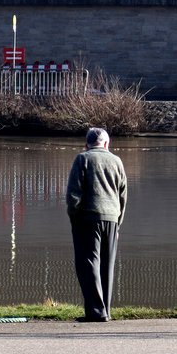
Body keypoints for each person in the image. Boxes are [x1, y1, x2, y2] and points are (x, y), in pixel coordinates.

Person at [66, 127, 128, 322]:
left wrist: (73, 217)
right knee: (106, 265)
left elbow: (73, 194)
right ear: (107, 143)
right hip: (111, 218)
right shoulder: (117, 161)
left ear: (86, 143)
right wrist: (118, 223)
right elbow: (123, 195)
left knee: (88, 264)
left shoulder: (82, 159)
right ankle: (106, 310)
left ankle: (95, 311)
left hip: (87, 217)